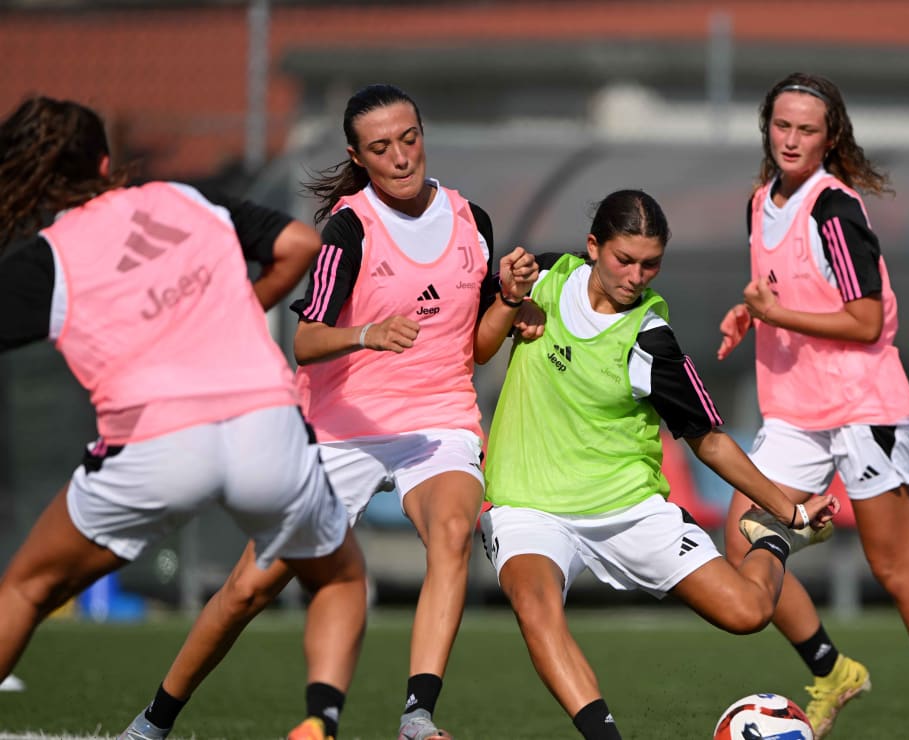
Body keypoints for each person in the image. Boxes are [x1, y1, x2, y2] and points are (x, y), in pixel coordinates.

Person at [115, 84, 538, 740]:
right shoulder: (348, 227)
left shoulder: (469, 220)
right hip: (344, 427)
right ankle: (153, 720)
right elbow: (306, 341)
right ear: (357, 156)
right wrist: (368, 334)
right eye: (380, 147)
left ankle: (417, 717)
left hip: (437, 418)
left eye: (409, 138)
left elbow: (477, 348)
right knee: (249, 590)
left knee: (453, 534)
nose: (401, 156)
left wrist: (510, 299)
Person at [0, 96, 368, 740]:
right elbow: (300, 242)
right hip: (267, 427)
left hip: (155, 444)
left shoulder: (48, 260)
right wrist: (241, 311)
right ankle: (320, 719)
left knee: (28, 587)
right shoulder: (183, 200)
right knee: (339, 578)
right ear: (107, 162)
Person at [479, 189, 838, 740]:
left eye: (651, 264)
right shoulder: (545, 278)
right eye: (624, 259)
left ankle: (771, 541)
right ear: (593, 246)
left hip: (626, 507)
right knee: (535, 606)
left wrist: (787, 513)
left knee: (747, 614)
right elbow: (473, 338)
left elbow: (710, 441)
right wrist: (506, 300)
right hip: (530, 505)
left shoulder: (652, 338)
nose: (636, 275)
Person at [716, 72, 909, 740]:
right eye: (782, 126)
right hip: (794, 408)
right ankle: (833, 670)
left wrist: (781, 313)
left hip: (863, 404)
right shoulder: (758, 203)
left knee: (893, 565)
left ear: (830, 136)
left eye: (807, 129)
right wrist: (753, 315)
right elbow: (783, 290)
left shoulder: (836, 209)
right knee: (742, 539)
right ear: (765, 128)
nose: (792, 139)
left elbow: (865, 321)